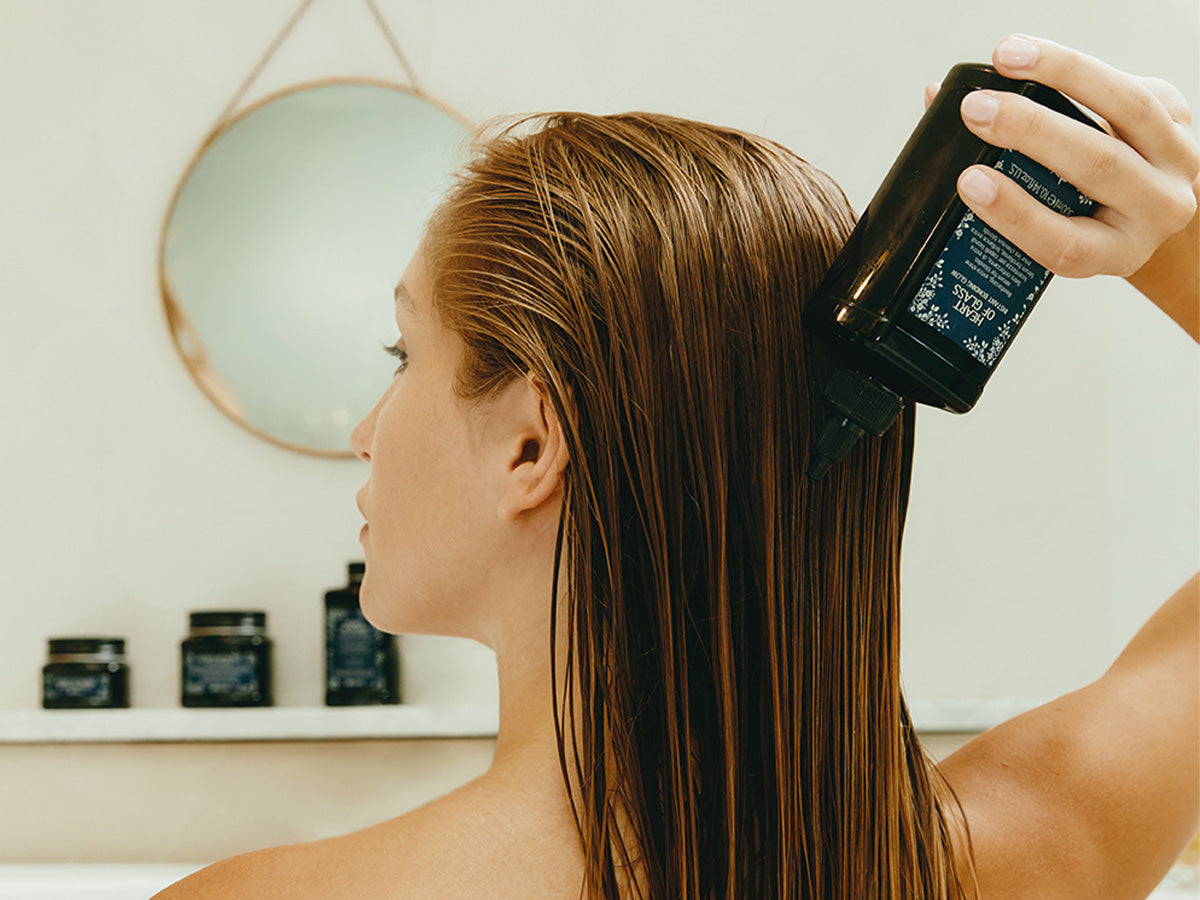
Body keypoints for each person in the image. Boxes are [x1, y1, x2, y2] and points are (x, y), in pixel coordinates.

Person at [156, 34, 1198, 900]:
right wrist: (1175, 242)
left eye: (402, 354)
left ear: (532, 443)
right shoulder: (1017, 853)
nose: (365, 431)